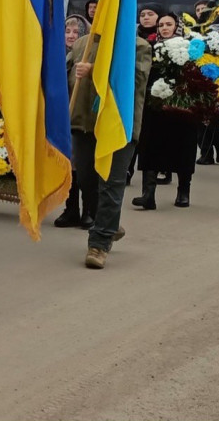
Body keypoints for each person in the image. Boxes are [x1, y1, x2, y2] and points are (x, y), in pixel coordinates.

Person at [70, 31, 153, 269]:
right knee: (86, 179)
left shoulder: (138, 46)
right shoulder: (81, 44)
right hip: (84, 122)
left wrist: (95, 69)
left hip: (119, 126)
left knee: (111, 182)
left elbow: (135, 79)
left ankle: (99, 243)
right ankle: (110, 222)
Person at [133, 13, 199, 210]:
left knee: (184, 149)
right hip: (155, 107)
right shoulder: (150, 48)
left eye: (169, 24)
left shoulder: (191, 49)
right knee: (150, 148)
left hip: (182, 108)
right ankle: (148, 194)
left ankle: (183, 192)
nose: (164, 28)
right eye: (161, 25)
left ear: (177, 26)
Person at [55, 14, 96, 228]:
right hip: (63, 117)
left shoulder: (86, 53)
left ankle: (89, 209)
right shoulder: (55, 55)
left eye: (76, 32)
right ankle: (71, 209)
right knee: (67, 166)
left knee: (84, 167)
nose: (70, 36)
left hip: (83, 118)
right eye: (67, 31)